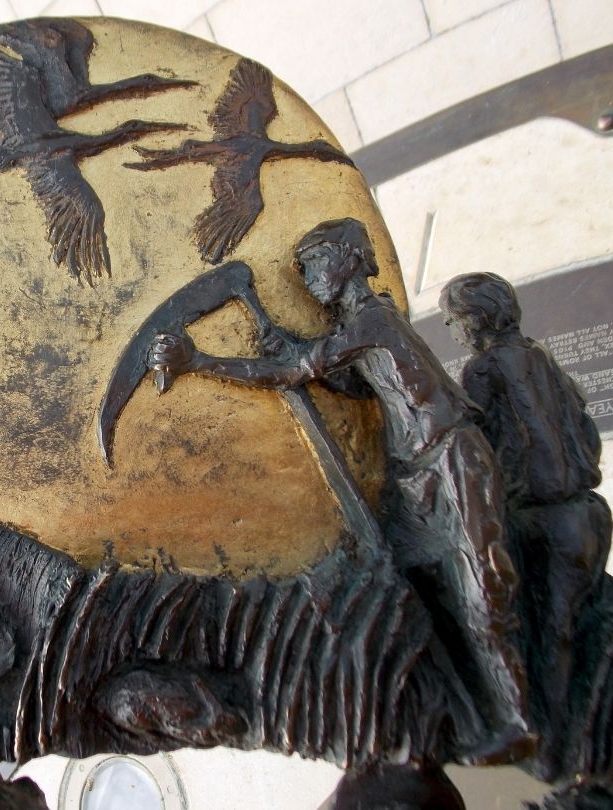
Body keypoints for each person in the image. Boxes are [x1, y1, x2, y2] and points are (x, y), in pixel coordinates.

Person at [147, 218, 532, 763]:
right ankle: (465, 711)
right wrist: (298, 353)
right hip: (416, 477)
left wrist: (201, 361)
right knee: (415, 590)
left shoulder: (374, 318)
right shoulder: (366, 325)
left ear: (350, 258)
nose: (308, 277)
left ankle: (519, 718)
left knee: (481, 590)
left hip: (452, 461)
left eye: (315, 262)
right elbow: (350, 378)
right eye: (303, 268)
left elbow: (296, 370)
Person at [440, 272, 611, 777]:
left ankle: (551, 746)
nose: (452, 330)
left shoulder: (483, 370)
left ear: (476, 319)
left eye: (453, 320)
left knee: (544, 631)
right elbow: (582, 428)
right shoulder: (542, 357)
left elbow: (471, 449)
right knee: (579, 619)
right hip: (588, 512)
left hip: (542, 519)